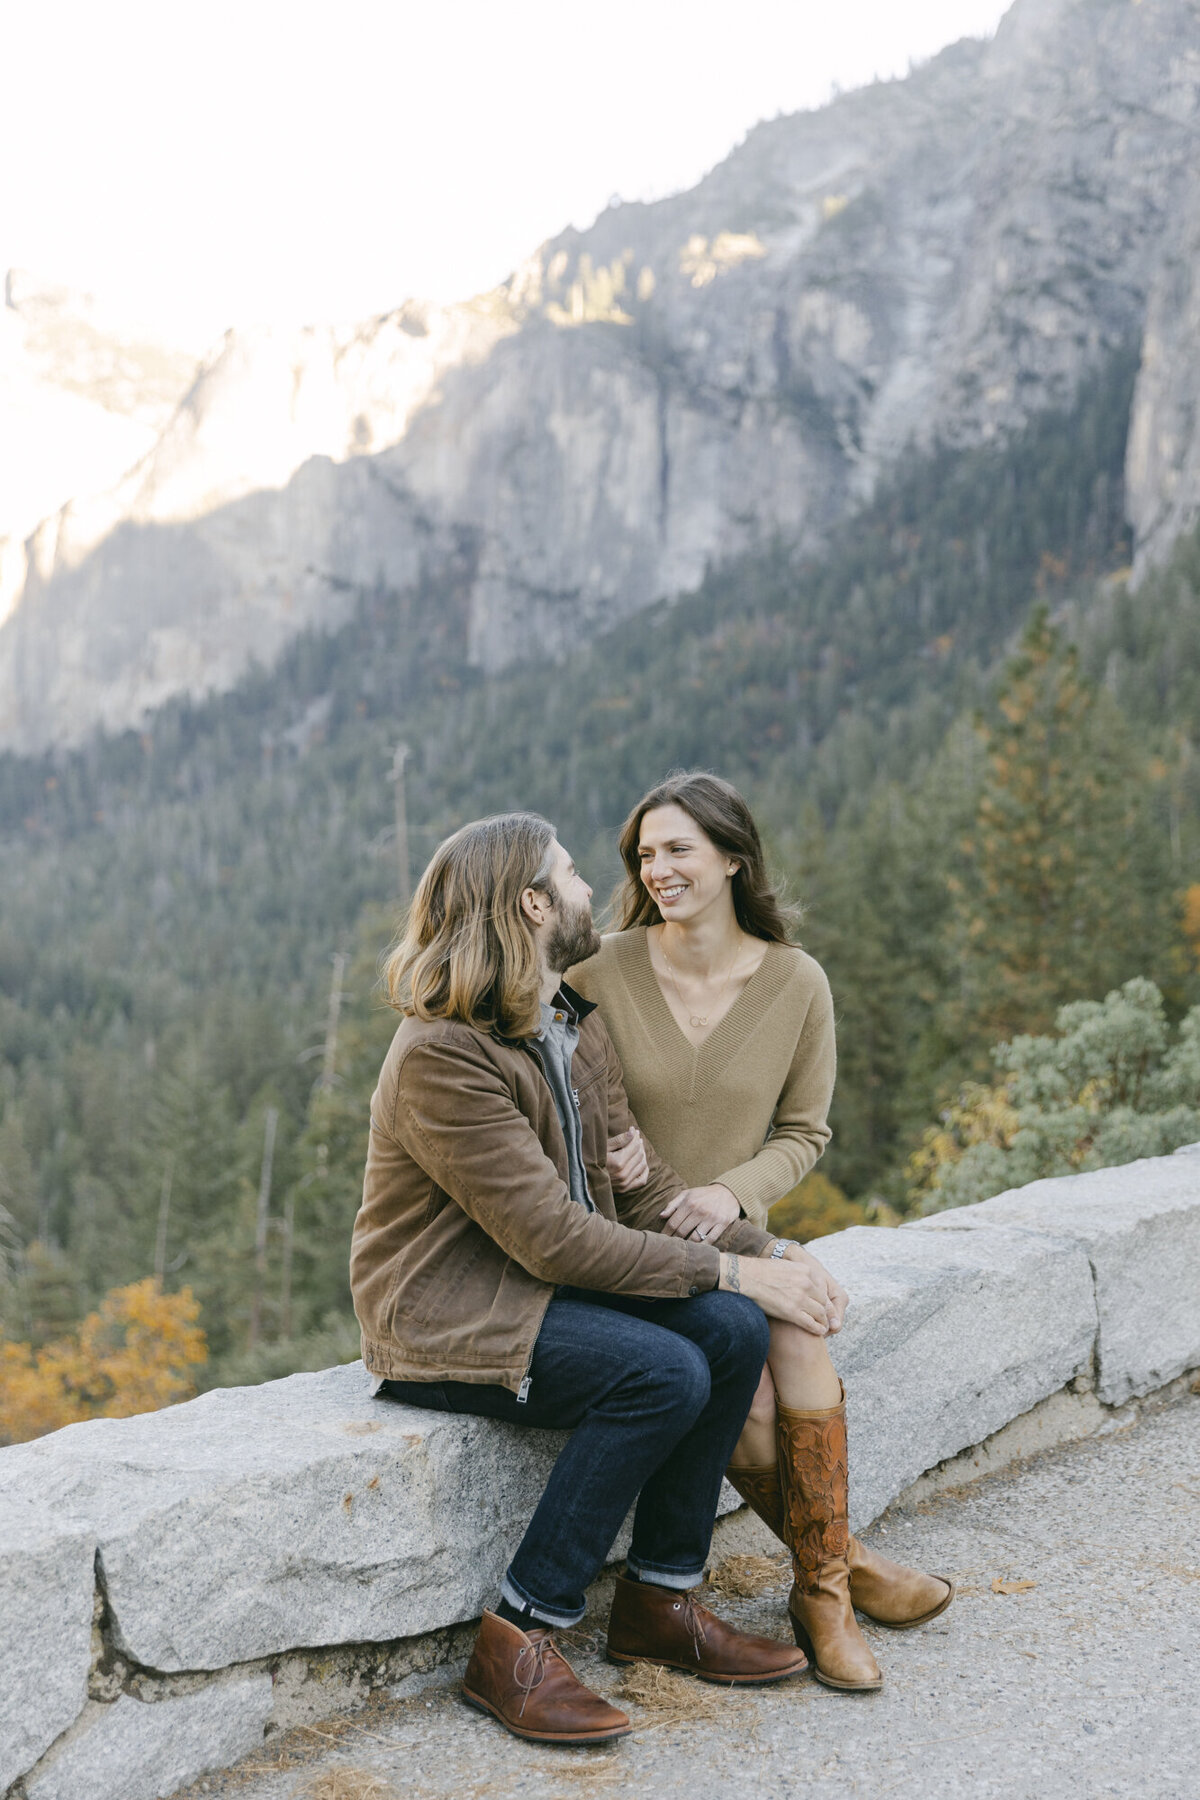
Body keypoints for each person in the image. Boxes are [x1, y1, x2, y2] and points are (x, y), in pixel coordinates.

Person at [351, 811, 845, 1745]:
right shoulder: (442, 1053)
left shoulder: (567, 1020)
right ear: (534, 904)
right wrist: (734, 1273)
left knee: (730, 1334)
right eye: (573, 875)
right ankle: (518, 1638)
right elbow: (552, 1241)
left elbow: (643, 1180)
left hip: (543, 1294)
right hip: (449, 1317)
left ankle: (661, 1603)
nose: (593, 891)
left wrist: (767, 1254)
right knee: (663, 1370)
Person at [569, 771, 953, 1692]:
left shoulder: (796, 982)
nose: (658, 869)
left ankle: (821, 1593)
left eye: (679, 850)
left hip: (730, 1238)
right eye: (645, 854)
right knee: (749, 1388)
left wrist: (735, 1196)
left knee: (800, 1329)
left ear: (733, 858)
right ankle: (841, 1571)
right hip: (634, 1250)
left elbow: (804, 1133)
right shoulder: (594, 977)